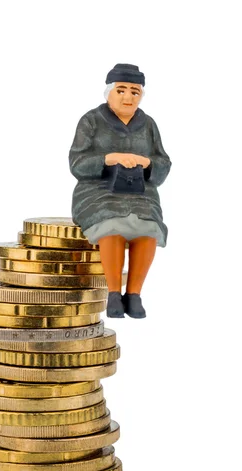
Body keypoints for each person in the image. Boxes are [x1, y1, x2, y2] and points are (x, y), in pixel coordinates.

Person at [69, 63, 171, 318]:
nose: (128, 97)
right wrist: (109, 158)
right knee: (111, 223)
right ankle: (114, 294)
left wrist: (148, 163)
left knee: (148, 226)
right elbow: (77, 163)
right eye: (121, 90)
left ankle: (134, 294)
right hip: (98, 189)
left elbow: (164, 163)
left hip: (140, 190)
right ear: (109, 93)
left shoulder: (148, 125)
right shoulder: (91, 120)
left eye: (135, 92)